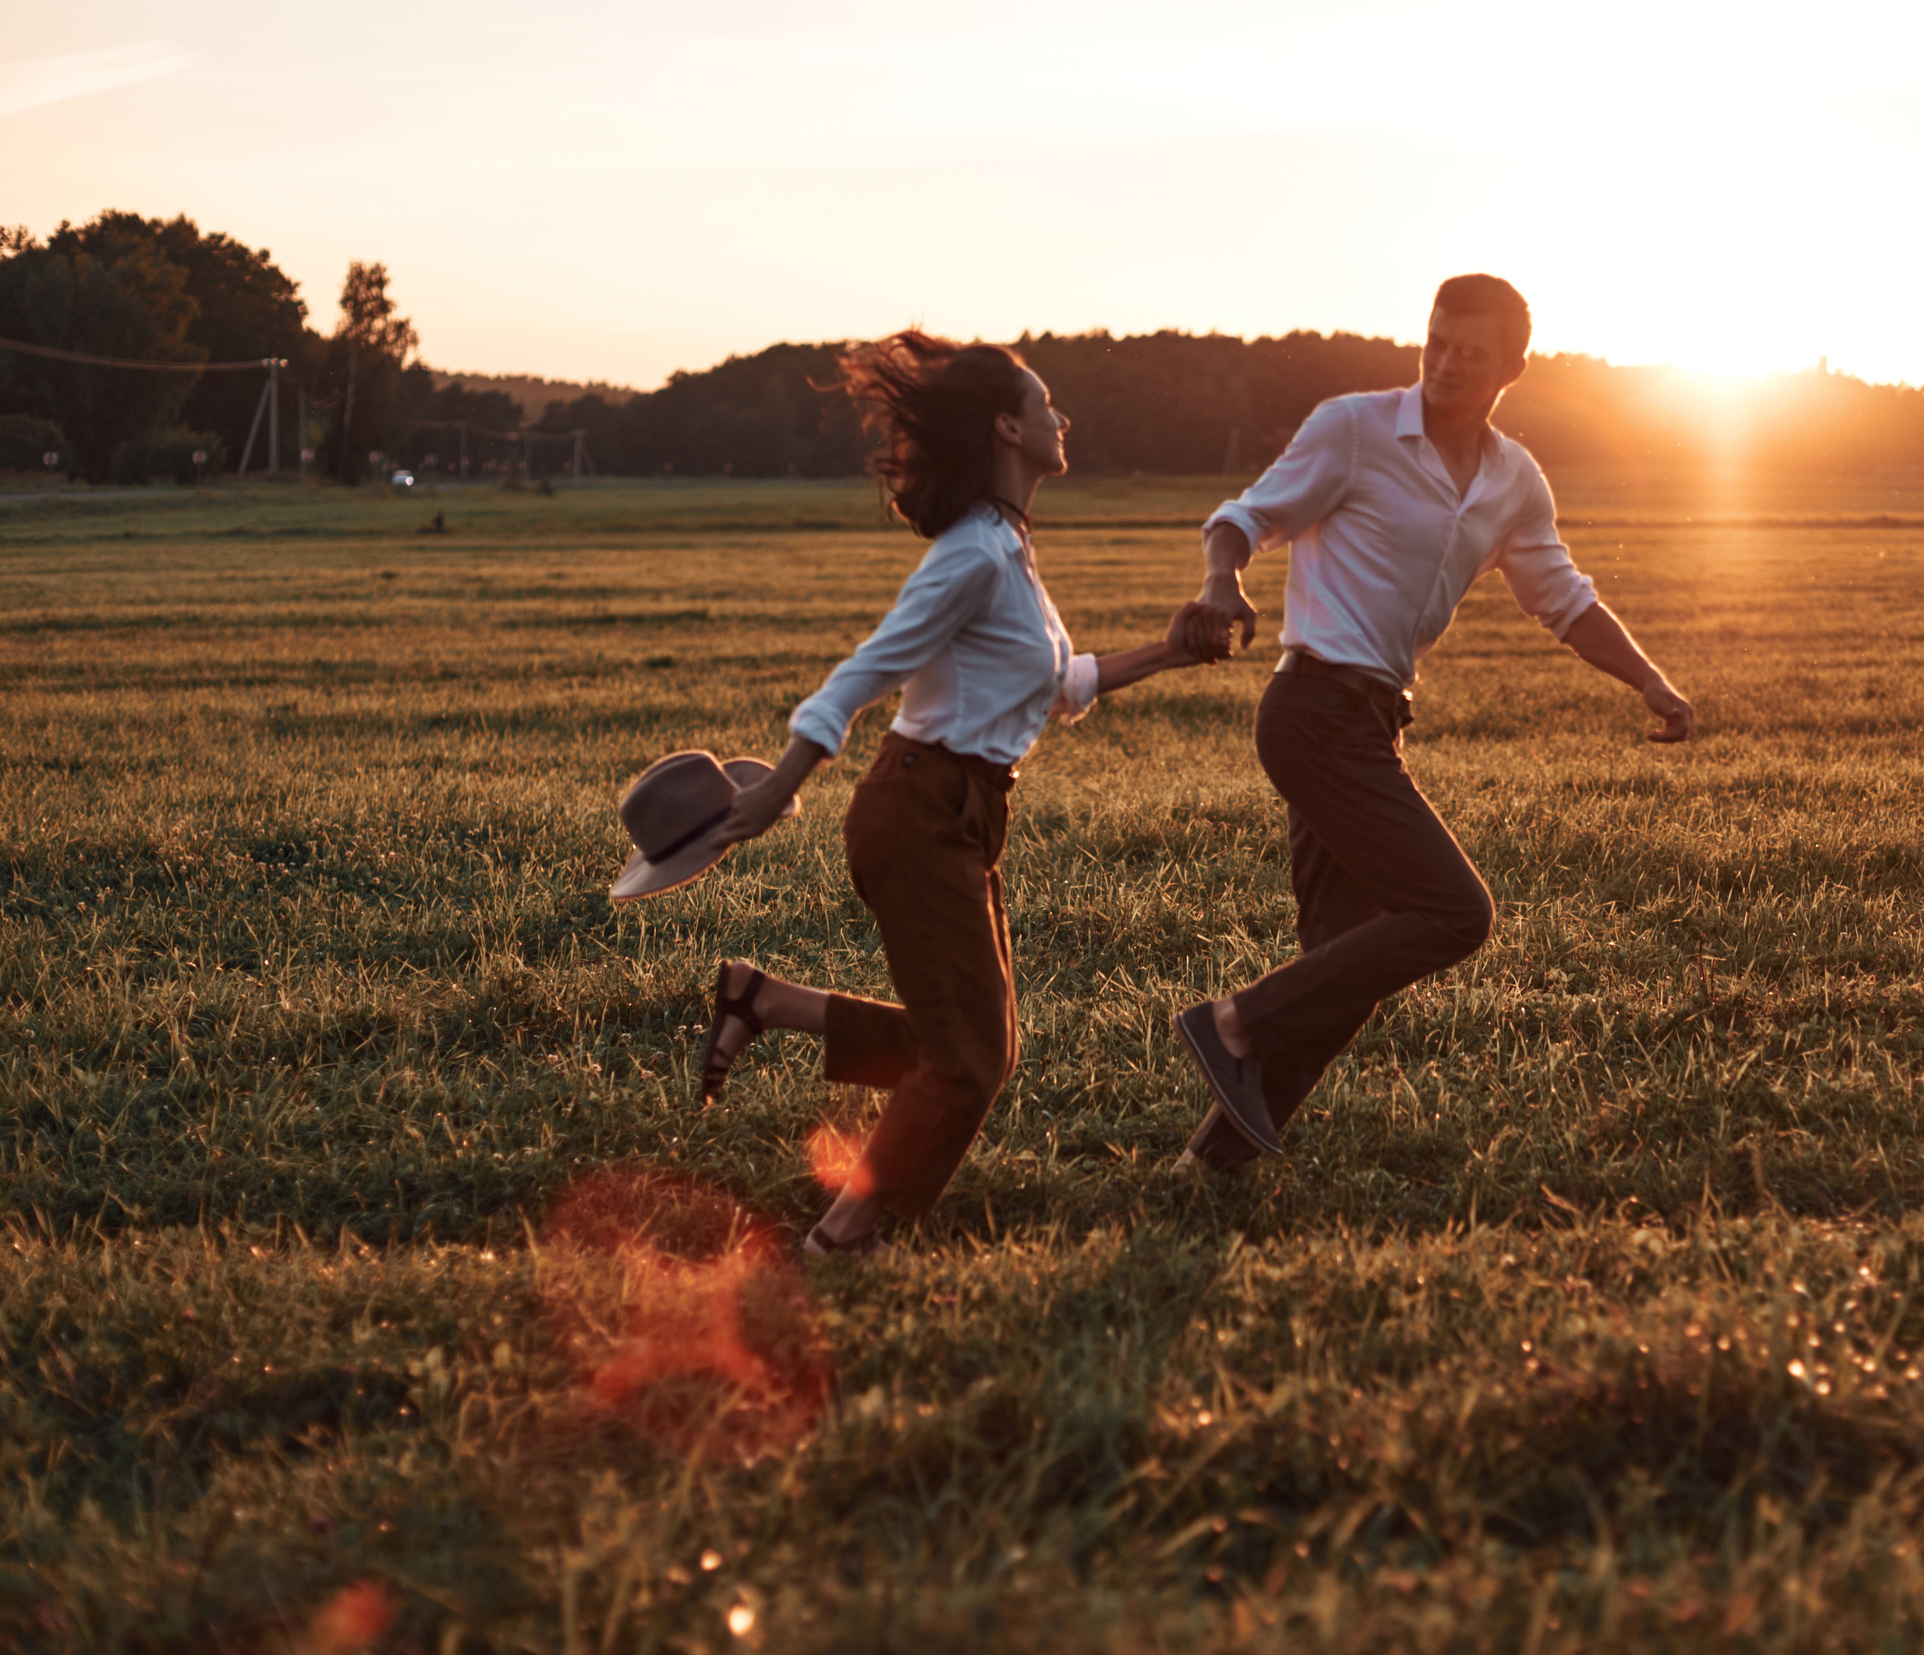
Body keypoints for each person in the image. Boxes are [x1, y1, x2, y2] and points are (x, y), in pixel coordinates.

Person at [699, 331, 1229, 1256]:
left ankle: (764, 1002)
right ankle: (840, 1237)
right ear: (1006, 428)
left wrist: (1173, 650)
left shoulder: (1009, 549)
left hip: (964, 814)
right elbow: (865, 671)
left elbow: (1060, 687)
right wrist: (779, 787)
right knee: (970, 1058)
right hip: (919, 809)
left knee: (972, 1043)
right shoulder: (975, 555)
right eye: (1045, 405)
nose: (1061, 418)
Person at [1167, 274, 1695, 1173]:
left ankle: (1212, 1168)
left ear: (1513, 369)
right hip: (1311, 710)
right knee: (1455, 911)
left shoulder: (1513, 482)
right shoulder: (1356, 428)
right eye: (1436, 341)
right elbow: (1246, 516)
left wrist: (1650, 681)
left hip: (1373, 724)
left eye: (1472, 353)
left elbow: (1563, 599)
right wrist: (1223, 579)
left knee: (1340, 967)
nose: (1447, 363)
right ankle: (1232, 1020)